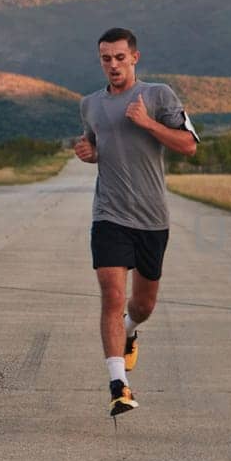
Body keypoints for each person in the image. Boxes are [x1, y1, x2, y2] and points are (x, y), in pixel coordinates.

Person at [74, 27, 200, 416]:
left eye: (119, 58)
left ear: (134, 58)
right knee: (111, 295)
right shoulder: (89, 104)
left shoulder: (159, 95)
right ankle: (119, 386)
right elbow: (99, 146)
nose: (112, 65)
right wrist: (89, 153)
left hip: (151, 218)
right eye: (105, 59)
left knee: (142, 304)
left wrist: (148, 123)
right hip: (109, 213)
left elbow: (189, 146)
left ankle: (130, 330)